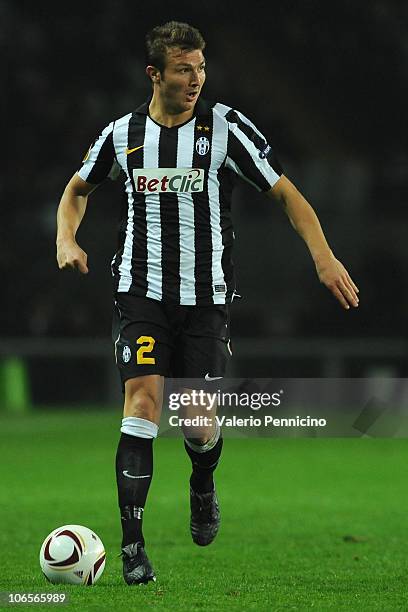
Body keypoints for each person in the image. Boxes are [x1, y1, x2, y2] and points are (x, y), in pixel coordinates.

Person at [56, 21, 359, 585]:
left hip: (204, 300)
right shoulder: (122, 135)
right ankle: (131, 548)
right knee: (143, 406)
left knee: (197, 422)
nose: (196, 80)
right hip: (140, 291)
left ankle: (202, 483)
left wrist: (323, 256)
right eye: (183, 70)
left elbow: (289, 195)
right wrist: (65, 238)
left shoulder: (225, 129)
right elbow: (77, 191)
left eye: (200, 68)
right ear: (155, 74)